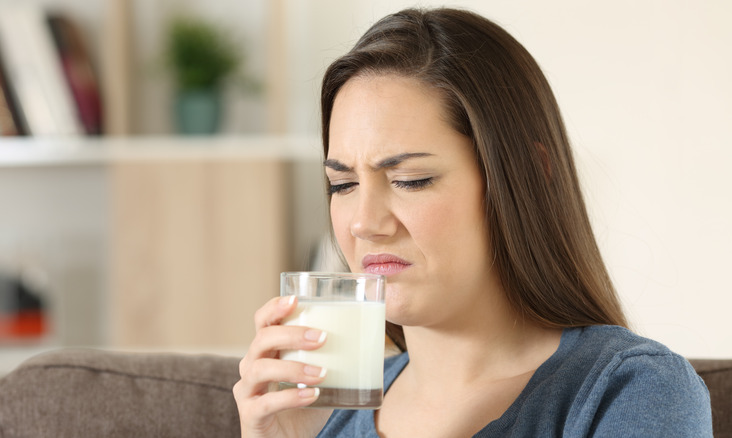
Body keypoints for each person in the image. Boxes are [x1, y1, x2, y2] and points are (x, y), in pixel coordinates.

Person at [233, 7, 712, 437]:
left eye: (411, 179)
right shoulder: (317, 414)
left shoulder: (630, 389)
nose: (363, 223)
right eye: (343, 185)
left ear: (527, 174)